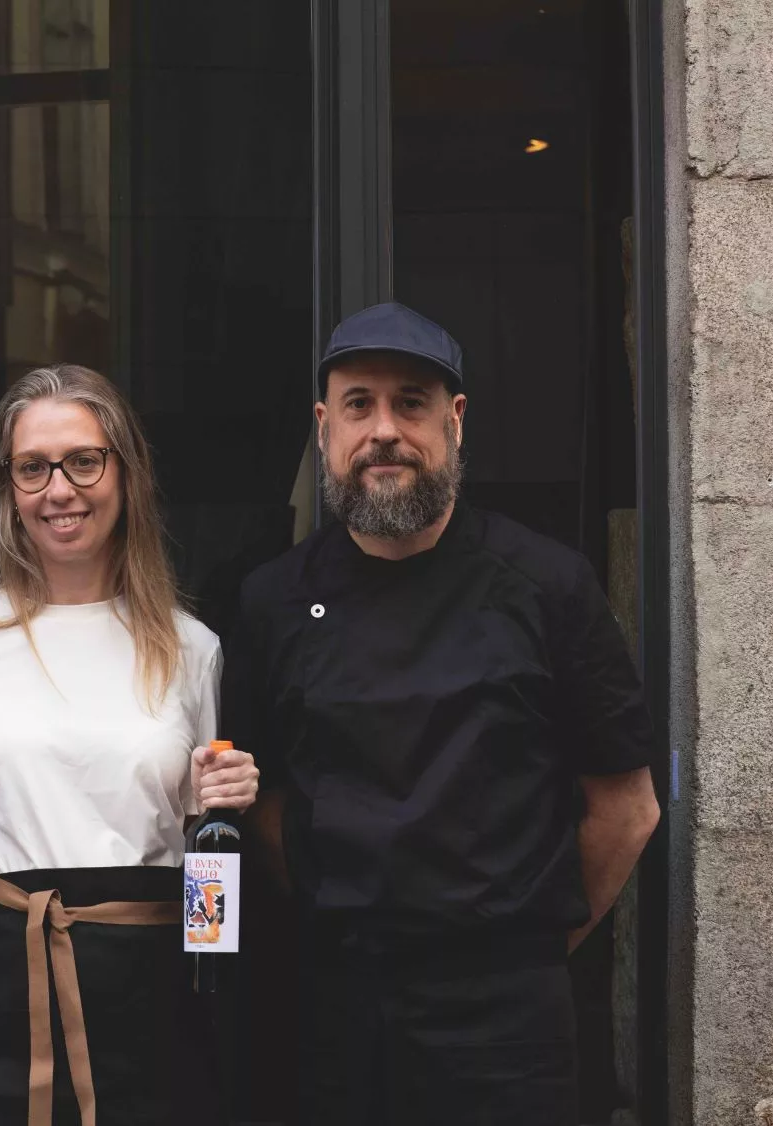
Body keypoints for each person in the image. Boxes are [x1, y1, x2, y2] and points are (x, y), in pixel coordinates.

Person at [223, 303, 660, 1124]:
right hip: (334, 1012)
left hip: (506, 1026)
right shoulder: (272, 600)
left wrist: (525, 951)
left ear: (455, 422)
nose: (383, 429)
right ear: (324, 427)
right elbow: (264, 799)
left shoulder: (548, 585)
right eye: (359, 404)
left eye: (411, 402)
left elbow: (627, 809)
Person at [0, 364, 260, 1126]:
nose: (59, 490)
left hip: (150, 1002)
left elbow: (207, 846)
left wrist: (231, 804)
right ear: (8, 487)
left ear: (125, 472)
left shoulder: (193, 649)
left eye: (83, 460)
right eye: (32, 468)